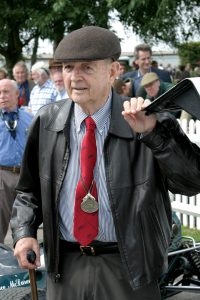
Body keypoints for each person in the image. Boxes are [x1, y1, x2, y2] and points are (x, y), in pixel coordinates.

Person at [11, 26, 200, 300]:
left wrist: (153, 134)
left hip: (129, 270)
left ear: (113, 71)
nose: (74, 77)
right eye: (67, 67)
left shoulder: (148, 121)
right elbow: (27, 192)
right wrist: (24, 232)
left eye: (87, 67)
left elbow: (192, 182)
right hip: (64, 268)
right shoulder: (46, 122)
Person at [0, 79, 33, 243]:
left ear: (16, 93)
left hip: (24, 176)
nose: (2, 96)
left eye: (6, 92)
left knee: (25, 220)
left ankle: (25, 257)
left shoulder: (30, 118)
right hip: (2, 175)